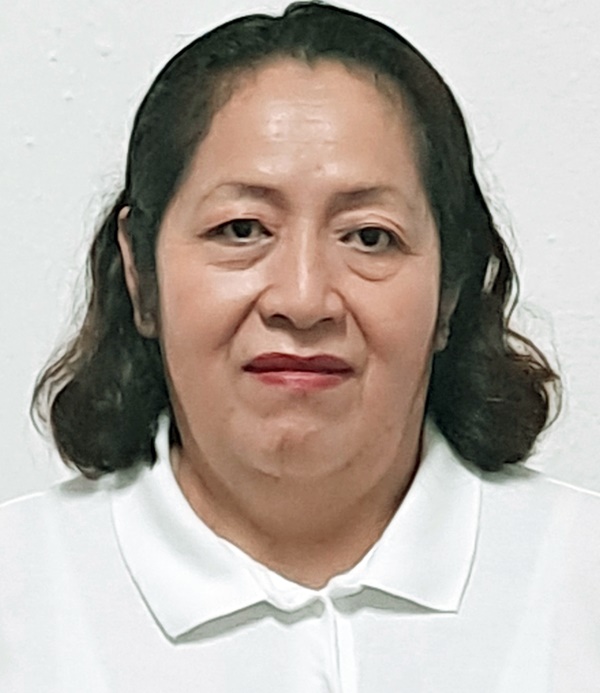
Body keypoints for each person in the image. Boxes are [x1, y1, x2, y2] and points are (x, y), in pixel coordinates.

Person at [1, 2, 598, 690]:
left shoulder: (578, 579)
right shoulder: (22, 595)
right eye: (242, 229)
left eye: (369, 236)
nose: (305, 298)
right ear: (141, 275)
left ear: (451, 290)